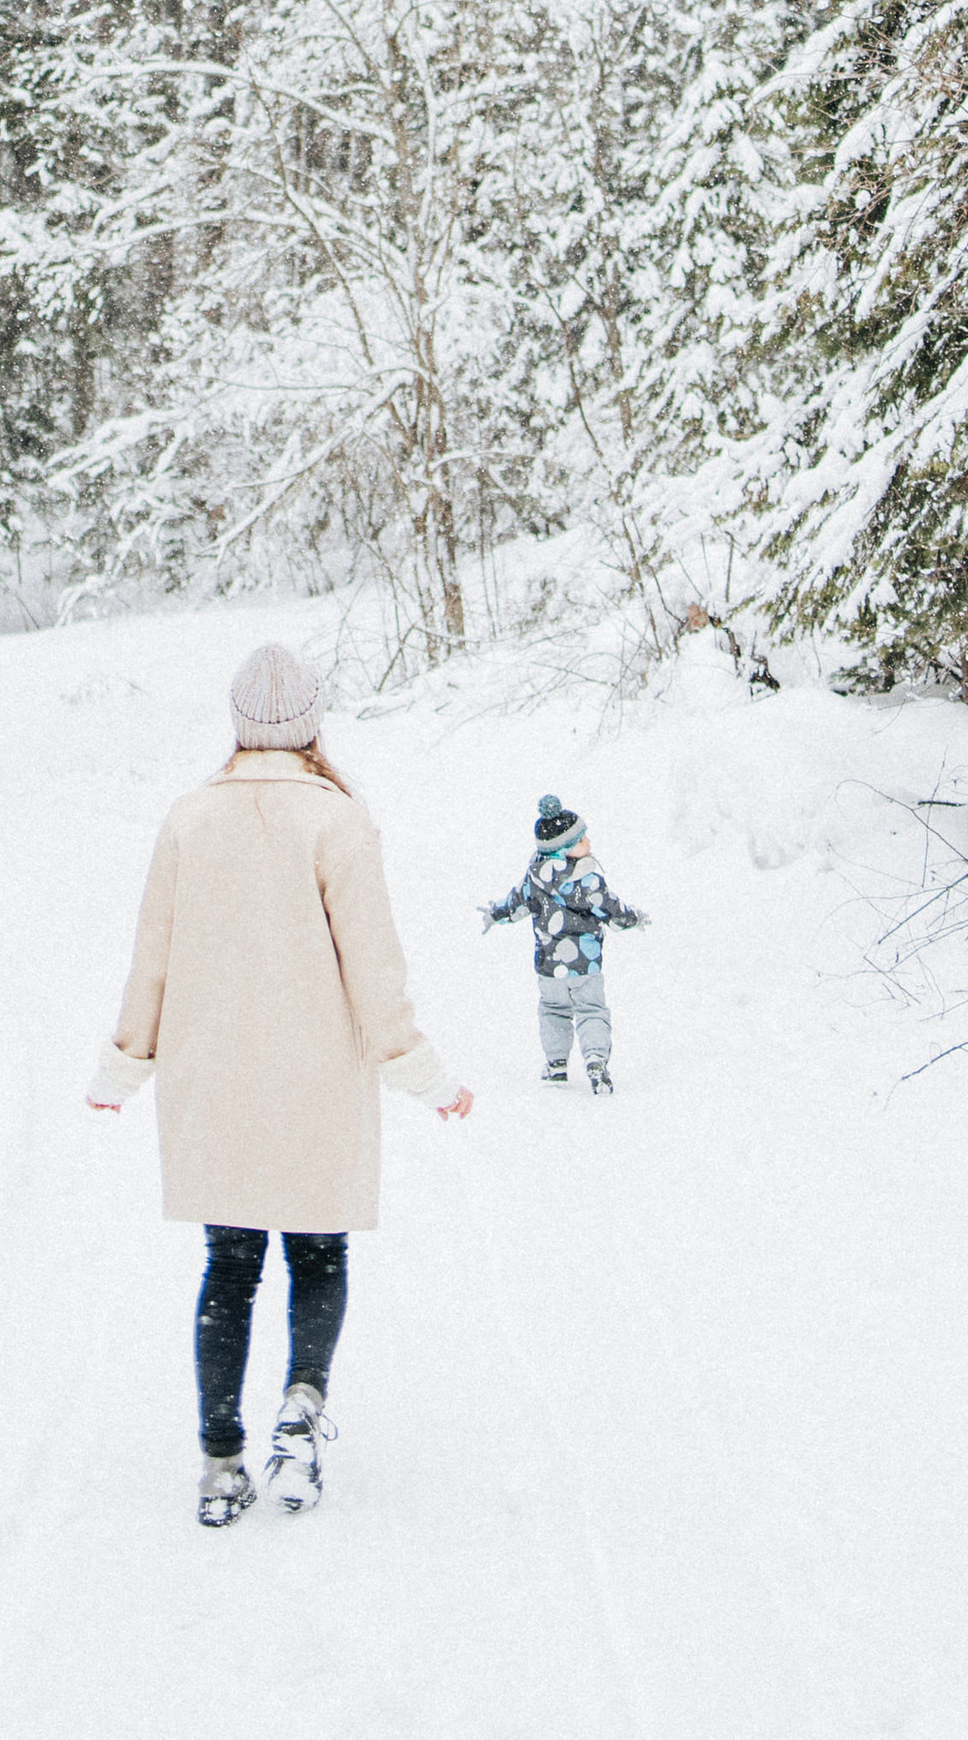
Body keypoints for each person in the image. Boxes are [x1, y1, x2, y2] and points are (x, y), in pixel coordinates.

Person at [86, 639, 471, 1528]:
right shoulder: (338, 819)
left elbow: (153, 958)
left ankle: (221, 1461)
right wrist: (425, 1074)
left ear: (238, 724)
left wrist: (123, 1066)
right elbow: (375, 968)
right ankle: (300, 1408)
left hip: (212, 1078)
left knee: (229, 1267)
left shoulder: (188, 819)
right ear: (309, 725)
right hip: (314, 1082)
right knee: (317, 1255)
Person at [483, 793, 646, 1092]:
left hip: (549, 967)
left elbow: (516, 904)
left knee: (553, 1010)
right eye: (581, 840)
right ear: (564, 849)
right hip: (586, 965)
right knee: (591, 1010)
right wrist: (633, 918)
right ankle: (596, 1060)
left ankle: (556, 1063)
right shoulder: (588, 879)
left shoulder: (534, 877)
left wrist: (495, 913)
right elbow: (610, 909)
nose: (588, 843)